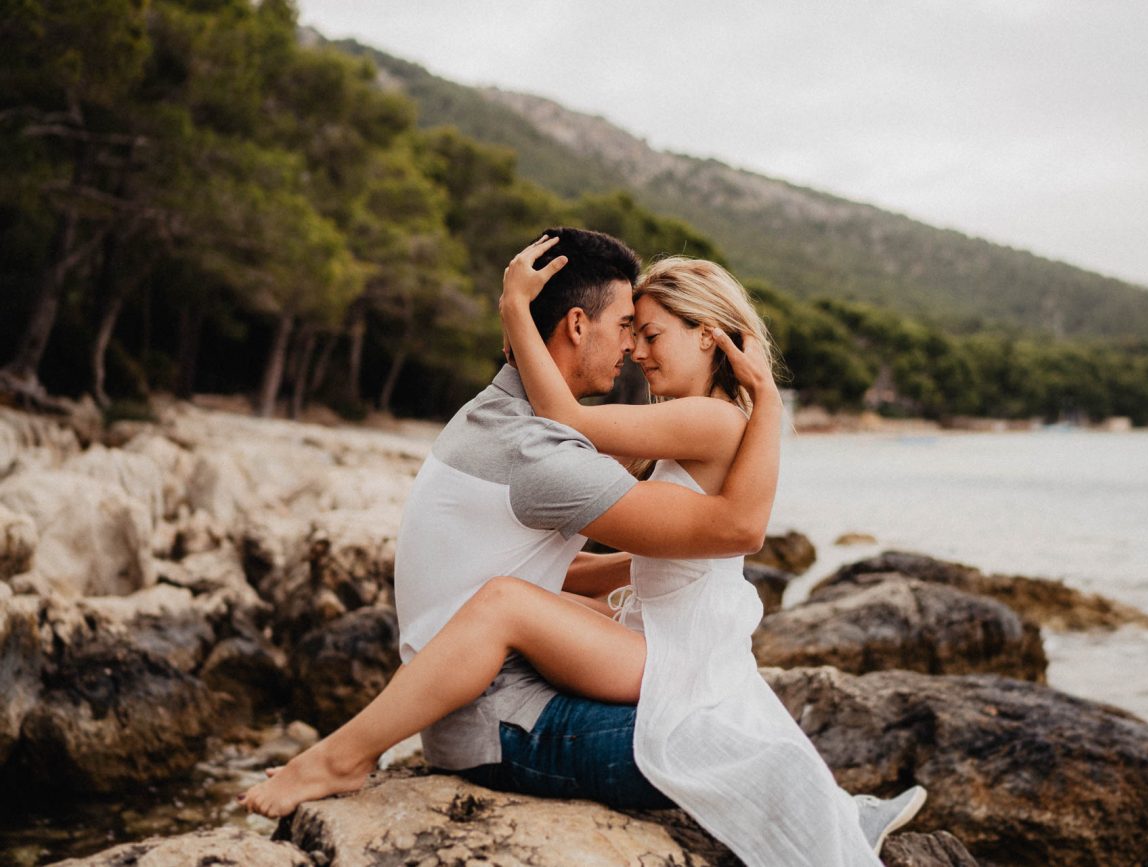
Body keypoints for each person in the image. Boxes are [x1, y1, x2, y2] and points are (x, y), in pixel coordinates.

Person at [241, 229, 922, 864]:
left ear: (708, 338)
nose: (634, 348)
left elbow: (665, 537)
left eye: (648, 333)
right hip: (499, 712)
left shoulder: (512, 420)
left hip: (529, 683)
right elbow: (715, 530)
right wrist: (766, 404)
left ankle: (830, 812)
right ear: (574, 325)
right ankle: (344, 753)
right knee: (554, 625)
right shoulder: (543, 450)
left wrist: (515, 315)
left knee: (563, 622)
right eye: (630, 328)